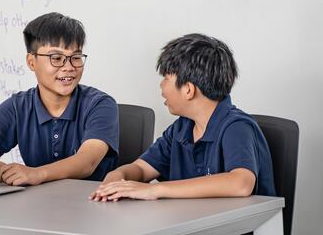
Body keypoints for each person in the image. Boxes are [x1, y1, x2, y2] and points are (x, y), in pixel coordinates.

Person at [91, 33, 275, 201]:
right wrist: (118, 177)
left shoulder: (236, 127)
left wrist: (155, 190)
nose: (161, 87)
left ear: (188, 89)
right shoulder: (181, 129)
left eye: (166, 79)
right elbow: (141, 169)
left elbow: (241, 183)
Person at [0, 12, 119, 186]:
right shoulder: (18, 106)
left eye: (76, 57)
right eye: (57, 58)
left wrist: (36, 174)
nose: (69, 67)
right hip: (38, 206)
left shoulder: (100, 104)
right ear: (32, 62)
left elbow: (87, 162)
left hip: (92, 204)